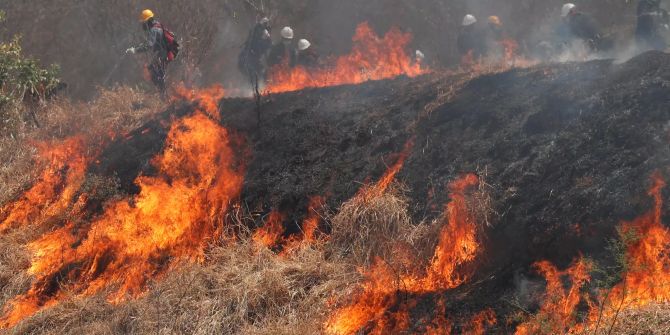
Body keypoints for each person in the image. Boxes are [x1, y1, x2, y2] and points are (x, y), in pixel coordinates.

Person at [126, 9, 179, 96]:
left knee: (158, 76)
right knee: (156, 72)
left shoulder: (154, 30)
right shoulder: (158, 26)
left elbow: (149, 45)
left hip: (163, 56)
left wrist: (135, 50)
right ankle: (164, 95)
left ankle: (164, 96)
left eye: (143, 22)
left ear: (148, 21)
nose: (142, 25)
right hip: (164, 55)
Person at [238, 17, 273, 89]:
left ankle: (264, 88)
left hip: (254, 59)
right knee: (253, 74)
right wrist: (259, 25)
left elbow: (268, 49)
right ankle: (252, 90)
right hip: (247, 59)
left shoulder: (266, 42)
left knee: (262, 72)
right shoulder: (254, 39)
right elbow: (254, 32)